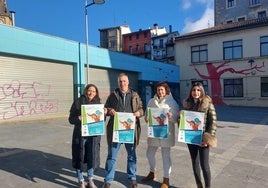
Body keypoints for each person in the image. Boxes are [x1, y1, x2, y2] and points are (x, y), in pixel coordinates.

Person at [102, 73, 144, 188]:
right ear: (118, 83)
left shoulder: (135, 95)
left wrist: (139, 113)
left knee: (132, 156)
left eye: (124, 81)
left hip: (130, 130)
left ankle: (132, 178)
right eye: (120, 81)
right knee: (112, 156)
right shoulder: (113, 95)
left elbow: (141, 109)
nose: (122, 83)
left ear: (128, 82)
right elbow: (106, 107)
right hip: (116, 130)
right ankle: (108, 180)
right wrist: (110, 110)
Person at [141, 81, 179, 188]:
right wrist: (146, 118)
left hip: (166, 133)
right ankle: (152, 172)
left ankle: (166, 179)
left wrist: (171, 115)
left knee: (165, 156)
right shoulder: (151, 101)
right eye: (158, 89)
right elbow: (146, 113)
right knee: (149, 153)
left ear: (166, 90)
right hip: (154, 132)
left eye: (162, 89)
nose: (160, 91)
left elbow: (176, 118)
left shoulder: (171, 102)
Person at [69, 84, 105, 188]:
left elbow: (101, 120)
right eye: (89, 91)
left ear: (96, 93)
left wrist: (105, 113)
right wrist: (78, 118)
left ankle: (90, 179)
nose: (91, 93)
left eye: (94, 91)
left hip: (93, 137)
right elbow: (71, 119)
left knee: (91, 157)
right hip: (80, 136)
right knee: (79, 156)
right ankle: (81, 180)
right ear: (86, 91)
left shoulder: (98, 104)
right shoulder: (78, 102)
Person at [182, 82, 217, 188]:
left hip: (203, 140)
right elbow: (184, 123)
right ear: (191, 92)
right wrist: (180, 117)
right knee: (194, 163)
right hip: (191, 138)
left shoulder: (208, 103)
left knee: (204, 165)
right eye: (193, 90)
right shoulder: (187, 104)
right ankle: (199, 185)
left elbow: (213, 122)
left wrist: (207, 138)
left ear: (202, 91)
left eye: (198, 90)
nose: (195, 92)